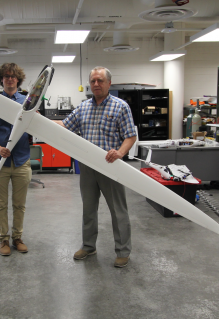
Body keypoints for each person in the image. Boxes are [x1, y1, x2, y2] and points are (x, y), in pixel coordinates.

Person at [54, 66, 137, 268]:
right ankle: (88, 246)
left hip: (111, 166)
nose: (96, 84)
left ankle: (123, 251)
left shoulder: (120, 106)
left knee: (118, 211)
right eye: (93, 81)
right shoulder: (83, 107)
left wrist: (120, 152)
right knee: (88, 209)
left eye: (100, 80)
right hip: (88, 166)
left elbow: (130, 135)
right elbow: (65, 126)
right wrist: (39, 120)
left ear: (109, 83)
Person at [0, 63, 32, 256]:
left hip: (21, 160)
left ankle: (17, 238)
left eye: (13, 76)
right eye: (6, 76)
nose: (10, 79)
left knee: (20, 204)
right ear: (1, 79)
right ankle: (3, 239)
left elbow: (33, 127)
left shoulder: (28, 101)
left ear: (18, 79)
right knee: (0, 204)